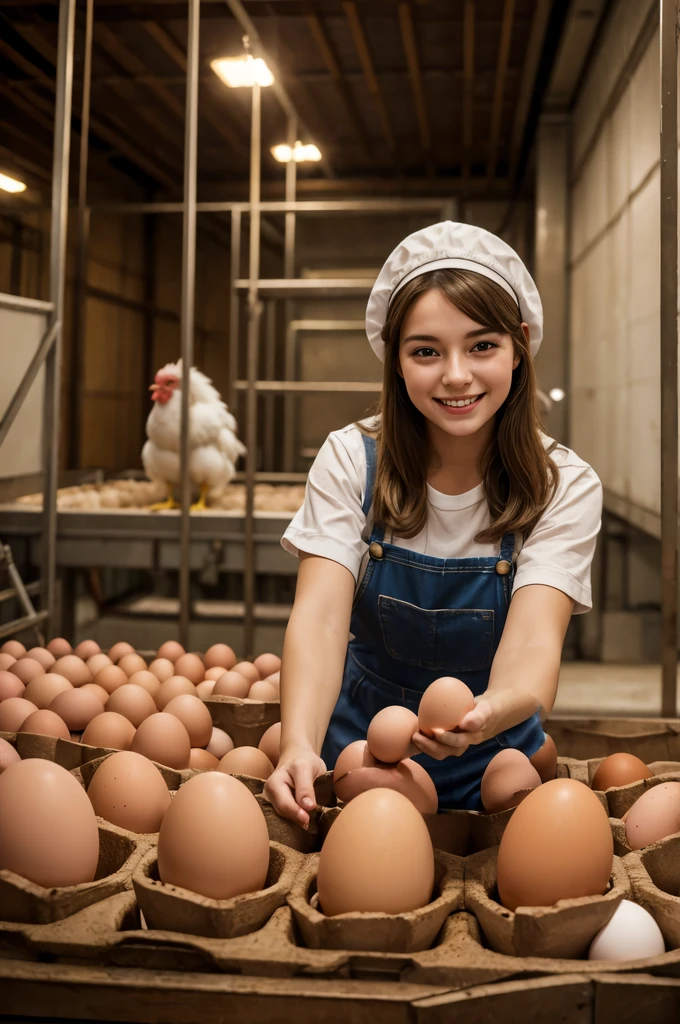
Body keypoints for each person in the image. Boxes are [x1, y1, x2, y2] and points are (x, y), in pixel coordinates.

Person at [264, 221, 602, 825]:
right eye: (426, 350)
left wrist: (483, 716)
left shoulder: (562, 485)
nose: (454, 375)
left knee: (520, 801)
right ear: (395, 359)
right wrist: (297, 744)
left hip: (493, 747)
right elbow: (318, 618)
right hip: (362, 748)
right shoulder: (350, 460)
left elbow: (533, 642)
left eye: (482, 345)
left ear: (519, 344)